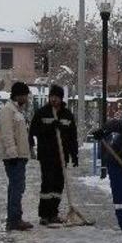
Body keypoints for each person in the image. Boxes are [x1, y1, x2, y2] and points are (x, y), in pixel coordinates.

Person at [29, 84, 79, 226]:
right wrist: (50, 127)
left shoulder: (67, 115)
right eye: (52, 97)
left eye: (56, 97)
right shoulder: (42, 113)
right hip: (46, 155)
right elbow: (34, 131)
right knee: (47, 184)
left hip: (62, 156)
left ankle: (54, 213)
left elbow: (72, 136)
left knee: (58, 185)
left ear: (61, 98)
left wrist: (75, 155)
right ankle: (44, 214)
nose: (54, 99)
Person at [0, 82, 33, 231]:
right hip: (14, 158)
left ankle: (14, 218)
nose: (26, 98)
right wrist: (13, 154)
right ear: (18, 95)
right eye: (25, 95)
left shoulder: (17, 111)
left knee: (17, 187)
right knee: (17, 187)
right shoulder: (8, 110)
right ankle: (14, 220)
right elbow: (7, 134)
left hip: (20, 157)